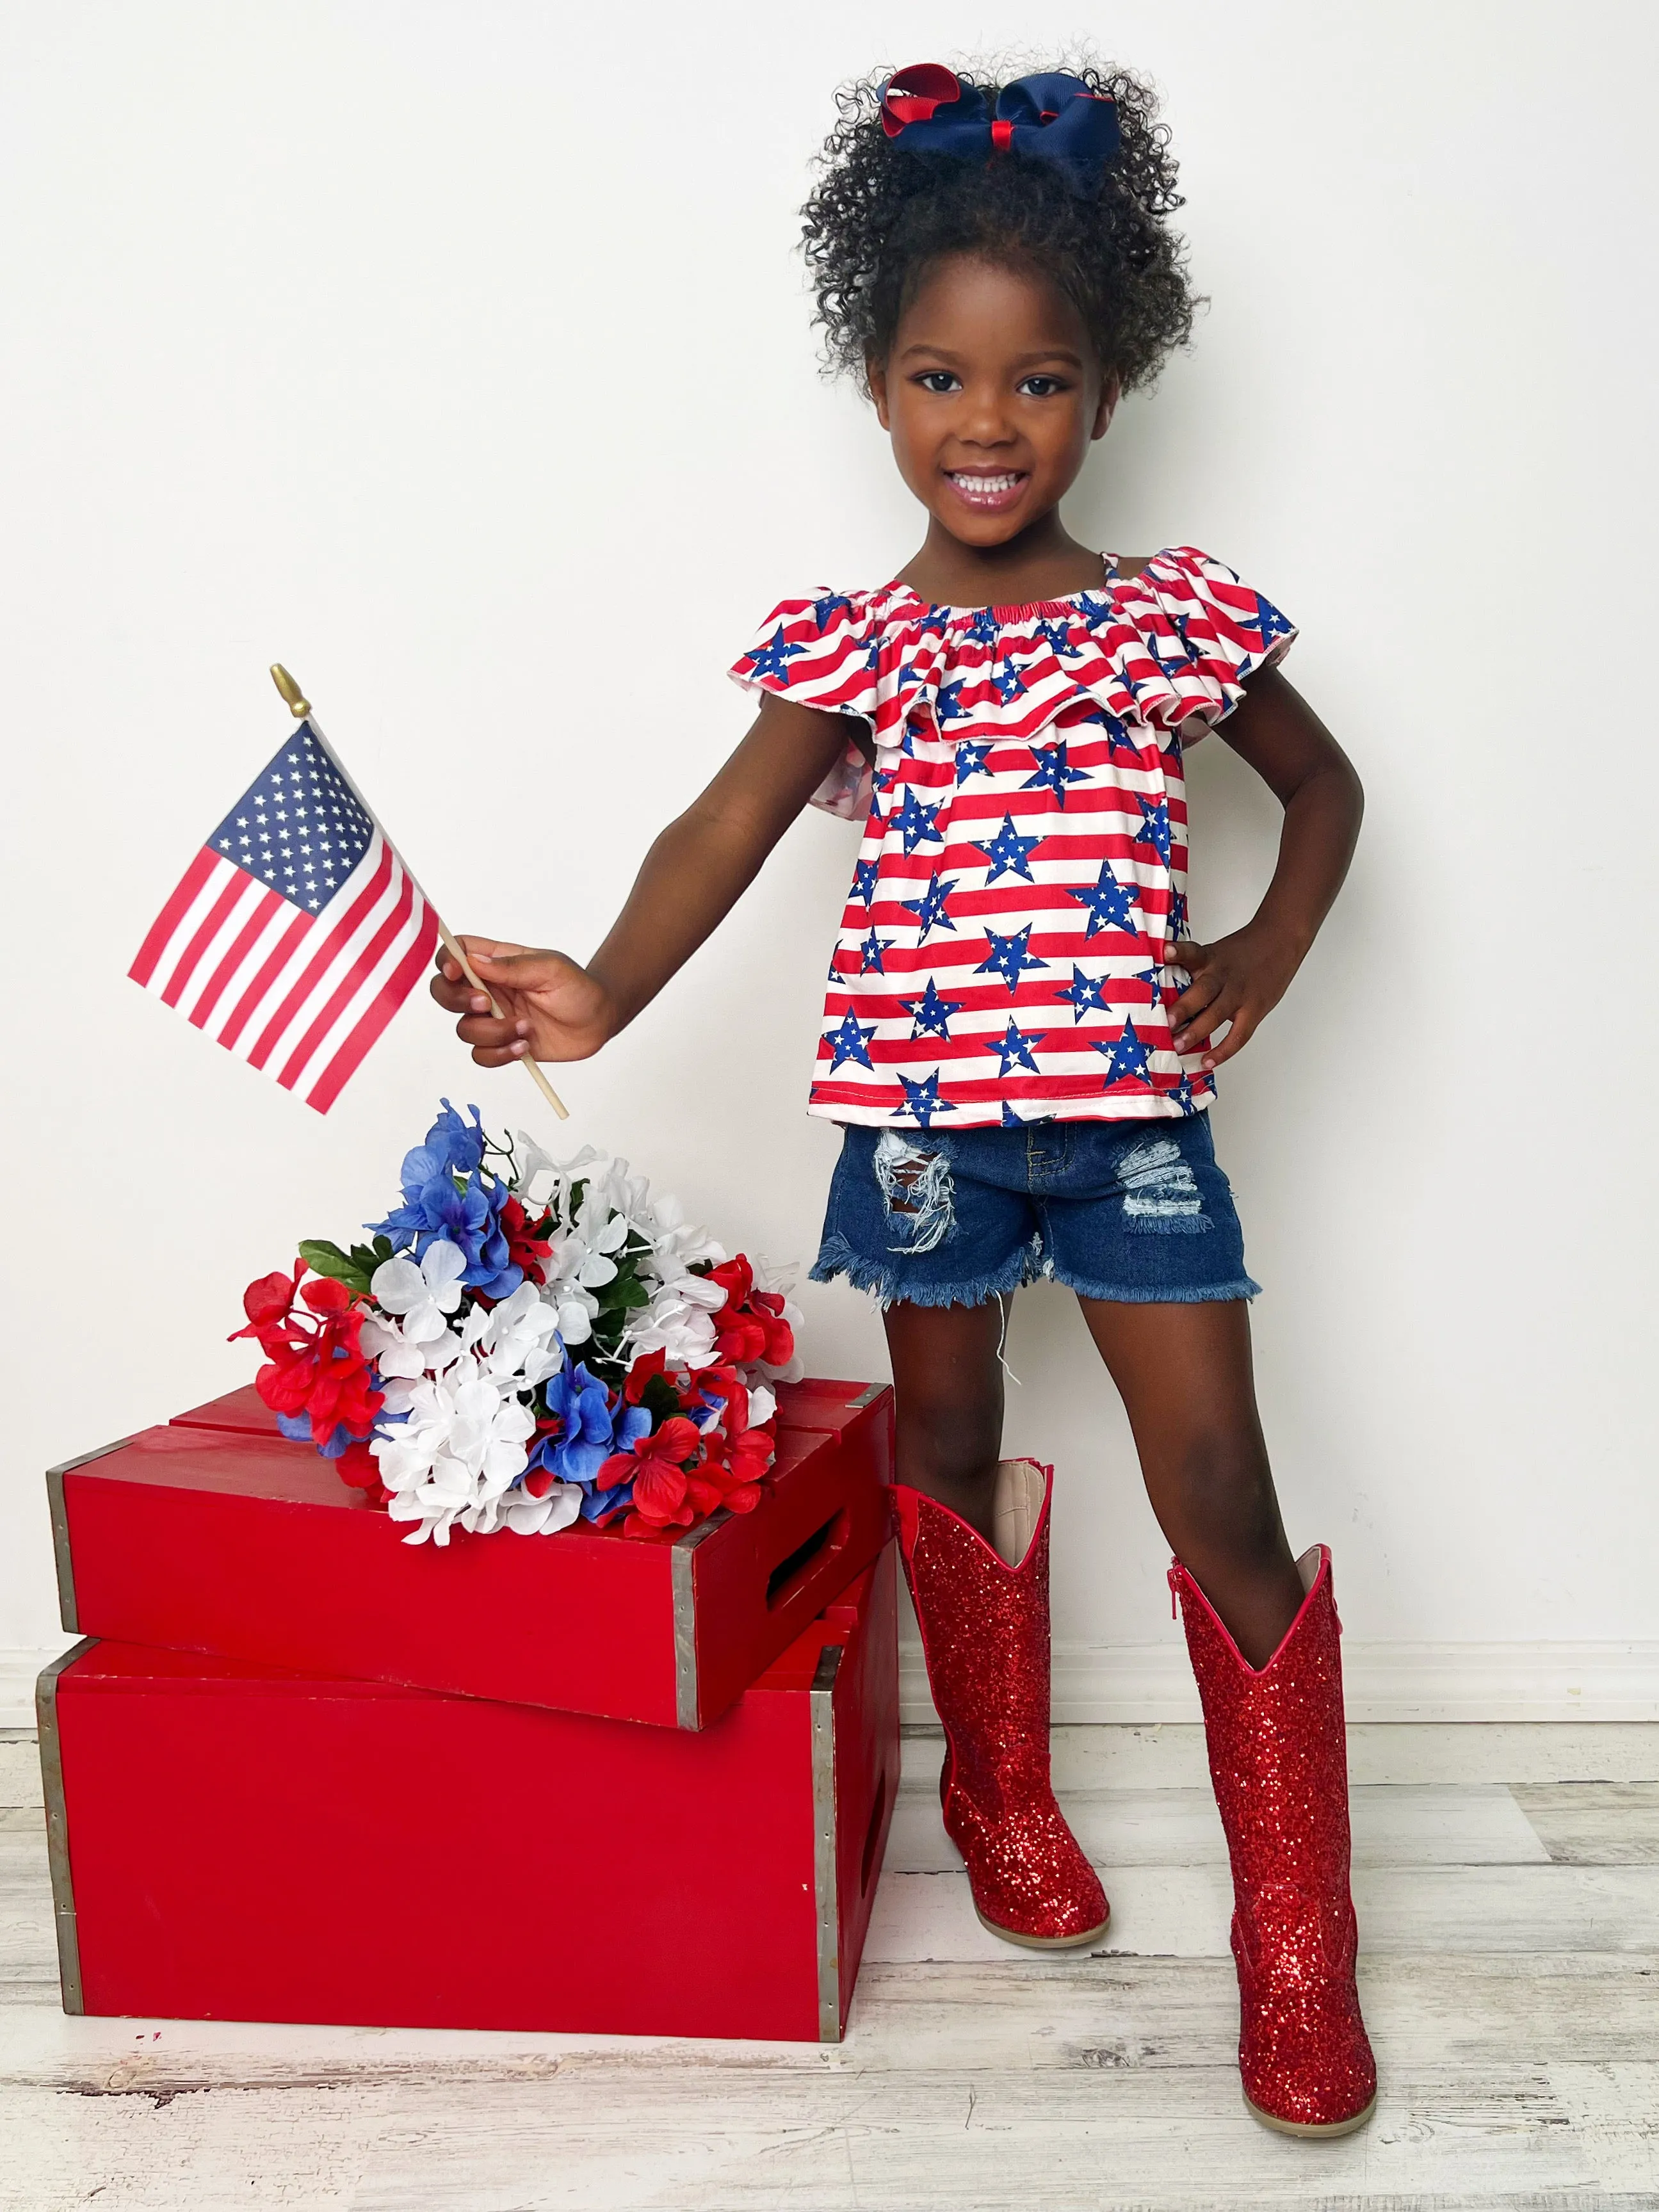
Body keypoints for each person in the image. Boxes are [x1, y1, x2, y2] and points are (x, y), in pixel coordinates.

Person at [431, 60, 1374, 2138]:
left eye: (1036, 384)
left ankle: (1295, 1938)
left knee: (1218, 1483)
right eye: (942, 379)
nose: (985, 424)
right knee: (943, 1435)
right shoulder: (852, 648)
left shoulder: (1167, 617)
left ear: (1104, 395)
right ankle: (1002, 1785)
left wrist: (1266, 948)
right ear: (877, 389)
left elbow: (1320, 785)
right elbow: (715, 833)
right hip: (929, 1145)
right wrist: (593, 988)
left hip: (1132, 1130)